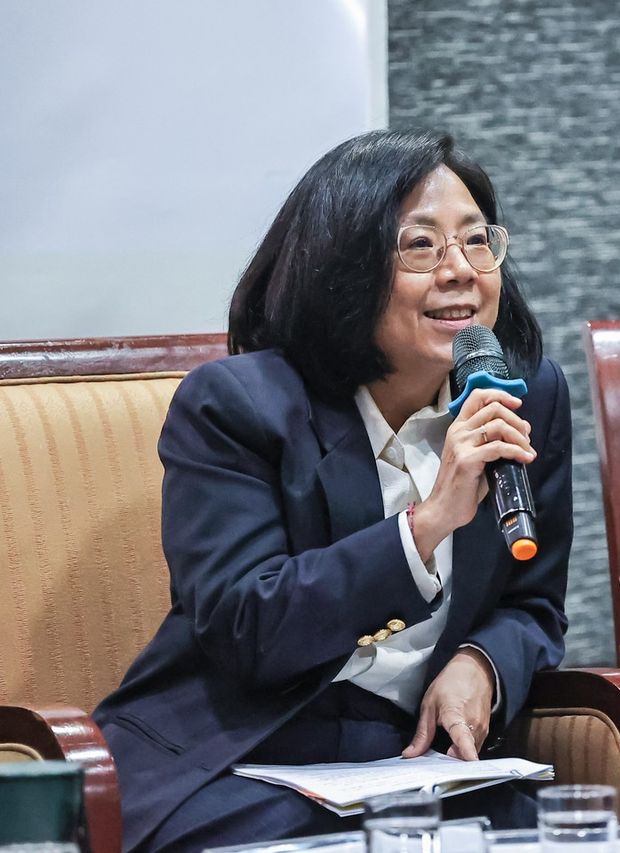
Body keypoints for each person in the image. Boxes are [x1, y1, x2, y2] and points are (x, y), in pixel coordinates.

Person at [92, 129, 572, 852]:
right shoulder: (237, 405)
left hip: (415, 764)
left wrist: (483, 664)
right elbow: (246, 625)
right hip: (241, 760)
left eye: (478, 242)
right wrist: (427, 524)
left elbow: (533, 602)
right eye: (421, 246)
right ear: (344, 270)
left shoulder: (524, 395)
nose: (461, 271)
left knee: (549, 835)